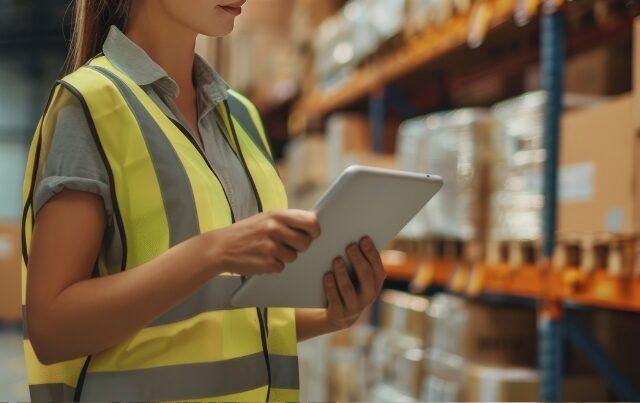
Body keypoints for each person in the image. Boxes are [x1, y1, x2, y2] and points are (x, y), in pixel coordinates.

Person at [20, 0, 386, 401]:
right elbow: (52, 329)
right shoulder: (91, 105)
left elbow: (224, 321)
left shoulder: (241, 117)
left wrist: (332, 314)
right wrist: (213, 252)